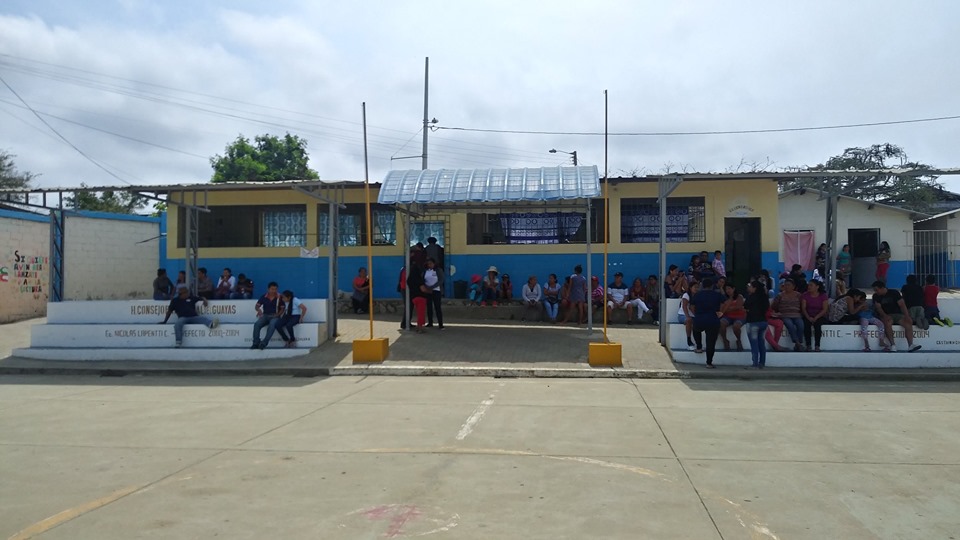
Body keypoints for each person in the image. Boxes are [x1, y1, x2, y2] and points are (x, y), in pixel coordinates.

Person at [160, 284, 220, 348]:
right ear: (181, 294)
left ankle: (211, 324)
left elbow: (201, 297)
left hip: (193, 317)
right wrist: (165, 321)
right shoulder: (175, 301)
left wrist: (204, 300)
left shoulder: (191, 298)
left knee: (202, 318)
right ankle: (178, 341)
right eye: (186, 292)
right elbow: (169, 311)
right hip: (183, 318)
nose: (188, 293)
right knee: (178, 324)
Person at [872, 280, 921, 352]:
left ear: (882, 288)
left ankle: (910, 345)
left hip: (897, 314)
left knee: (908, 322)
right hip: (886, 315)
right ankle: (893, 345)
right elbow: (878, 308)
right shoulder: (876, 296)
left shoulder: (894, 293)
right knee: (887, 323)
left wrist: (907, 316)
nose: (876, 292)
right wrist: (884, 315)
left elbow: (902, 305)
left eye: (877, 290)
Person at [689, 277, 725, 368]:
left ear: (702, 285)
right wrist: (721, 312)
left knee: (696, 330)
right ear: (712, 286)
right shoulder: (717, 294)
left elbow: (691, 306)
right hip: (713, 319)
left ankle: (699, 346)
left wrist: (696, 314)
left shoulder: (697, 295)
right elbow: (725, 302)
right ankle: (709, 363)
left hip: (700, 318)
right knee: (710, 343)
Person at [771, 279, 805, 351]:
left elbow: (802, 305)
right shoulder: (780, 295)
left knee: (801, 325)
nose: (786, 287)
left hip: (796, 315)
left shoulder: (798, 295)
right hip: (785, 315)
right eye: (785, 285)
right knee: (790, 325)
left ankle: (798, 343)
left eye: (788, 285)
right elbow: (774, 306)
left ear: (793, 286)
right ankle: (797, 343)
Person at [744, 280, 770, 368]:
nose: (749, 288)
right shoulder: (764, 297)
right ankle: (762, 362)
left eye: (750, 286)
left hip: (753, 322)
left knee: (754, 344)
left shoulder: (751, 297)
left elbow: (745, 306)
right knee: (761, 343)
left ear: (754, 288)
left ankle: (755, 363)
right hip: (763, 321)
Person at [252, 282, 285, 350]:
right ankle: (256, 343)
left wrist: (278, 314)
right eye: (272, 289)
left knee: (272, 325)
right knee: (257, 324)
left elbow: (282, 308)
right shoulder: (264, 296)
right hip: (265, 315)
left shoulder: (280, 297)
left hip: (275, 316)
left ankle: (264, 343)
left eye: (275, 289)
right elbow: (257, 306)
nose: (274, 291)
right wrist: (259, 310)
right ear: (268, 289)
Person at [801, 280, 829, 352]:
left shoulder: (823, 296)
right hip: (808, 315)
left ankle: (817, 345)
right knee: (806, 326)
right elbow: (803, 308)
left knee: (818, 326)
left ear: (817, 287)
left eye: (811, 285)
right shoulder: (805, 295)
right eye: (808, 285)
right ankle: (808, 345)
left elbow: (824, 309)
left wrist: (816, 317)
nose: (809, 287)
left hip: (820, 316)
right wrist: (808, 317)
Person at [718, 285, 746, 351]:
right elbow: (721, 310)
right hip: (728, 317)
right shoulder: (724, 298)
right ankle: (725, 340)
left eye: (729, 288)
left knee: (736, 326)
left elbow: (738, 307)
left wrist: (727, 308)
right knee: (721, 324)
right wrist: (730, 309)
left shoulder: (739, 296)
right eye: (726, 289)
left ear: (733, 289)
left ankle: (738, 341)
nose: (728, 290)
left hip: (740, 316)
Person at [407, 262, 429, 333]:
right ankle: (420, 328)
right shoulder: (419, 279)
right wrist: (429, 290)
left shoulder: (409, 279)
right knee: (421, 313)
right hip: (421, 297)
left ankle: (419, 327)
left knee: (418, 313)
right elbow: (423, 289)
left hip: (413, 297)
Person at [678, 281, 700, 350]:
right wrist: (687, 316)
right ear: (690, 288)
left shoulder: (698, 296)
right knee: (689, 320)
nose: (696, 289)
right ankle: (689, 340)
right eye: (695, 287)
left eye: (697, 287)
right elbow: (684, 306)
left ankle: (698, 343)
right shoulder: (686, 295)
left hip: (693, 316)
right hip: (682, 315)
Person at [424, 257, 444, 329]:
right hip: (428, 291)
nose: (429, 265)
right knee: (429, 307)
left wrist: (432, 287)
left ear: (434, 263)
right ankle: (430, 322)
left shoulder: (438, 270)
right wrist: (426, 287)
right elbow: (423, 279)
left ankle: (440, 324)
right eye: (428, 264)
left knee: (437, 307)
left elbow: (441, 280)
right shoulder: (426, 271)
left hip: (436, 290)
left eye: (431, 264)